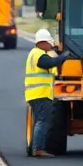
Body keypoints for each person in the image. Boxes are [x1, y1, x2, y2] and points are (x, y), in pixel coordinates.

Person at [24, 29, 65, 158]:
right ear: (43, 42)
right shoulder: (39, 55)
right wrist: (64, 56)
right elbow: (51, 62)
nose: (51, 46)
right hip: (40, 94)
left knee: (40, 121)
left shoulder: (36, 53)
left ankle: (36, 147)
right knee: (42, 121)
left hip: (36, 94)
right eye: (49, 44)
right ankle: (38, 149)